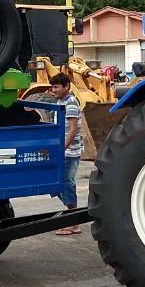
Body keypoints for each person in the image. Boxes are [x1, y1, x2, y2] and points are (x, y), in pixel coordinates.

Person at [48, 73, 83, 236]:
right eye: (52, 86)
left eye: (56, 87)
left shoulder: (70, 103)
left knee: (67, 183)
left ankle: (74, 223)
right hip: (64, 149)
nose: (53, 90)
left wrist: (62, 149)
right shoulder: (60, 101)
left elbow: (73, 129)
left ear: (66, 86)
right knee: (58, 185)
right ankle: (72, 218)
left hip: (70, 151)